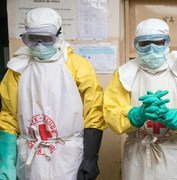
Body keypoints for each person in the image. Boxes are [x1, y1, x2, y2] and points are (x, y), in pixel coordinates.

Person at [0, 7, 106, 180]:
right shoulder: (16, 70)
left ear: (59, 36)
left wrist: (90, 158)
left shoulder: (78, 66)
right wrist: (6, 163)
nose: (40, 45)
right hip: (30, 155)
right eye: (33, 39)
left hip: (68, 155)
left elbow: (94, 111)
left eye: (46, 39)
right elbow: (8, 117)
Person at [103, 18, 177, 180]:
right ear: (135, 45)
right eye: (144, 44)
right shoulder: (124, 74)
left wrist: (176, 117)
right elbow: (111, 112)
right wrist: (136, 115)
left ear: (168, 42)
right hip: (138, 155)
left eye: (158, 42)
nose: (151, 49)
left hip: (173, 153)